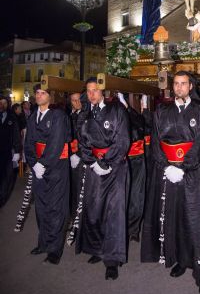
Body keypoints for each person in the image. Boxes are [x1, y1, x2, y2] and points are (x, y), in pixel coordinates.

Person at [141, 71, 200, 294]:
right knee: (173, 217)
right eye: (176, 84)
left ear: (191, 86)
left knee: (194, 221)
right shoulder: (162, 110)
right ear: (173, 87)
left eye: (184, 84)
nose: (180, 88)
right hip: (167, 172)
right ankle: (180, 260)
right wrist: (166, 166)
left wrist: (183, 167)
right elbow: (155, 142)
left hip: (191, 173)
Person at [75, 77, 130, 280]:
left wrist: (105, 162)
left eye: (95, 90)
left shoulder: (116, 110)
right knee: (94, 208)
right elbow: (81, 141)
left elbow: (122, 140)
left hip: (115, 167)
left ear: (103, 92)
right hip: (93, 167)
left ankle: (112, 260)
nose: (92, 94)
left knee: (114, 213)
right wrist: (92, 162)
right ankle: (97, 248)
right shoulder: (85, 114)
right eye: (88, 91)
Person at [24, 86, 70, 264]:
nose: (38, 95)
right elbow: (28, 143)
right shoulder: (32, 116)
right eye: (37, 93)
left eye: (42, 93)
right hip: (38, 167)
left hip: (56, 167)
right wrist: (33, 163)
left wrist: (43, 164)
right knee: (41, 207)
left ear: (50, 97)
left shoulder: (57, 115)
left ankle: (55, 250)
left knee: (56, 208)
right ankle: (43, 243)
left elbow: (56, 143)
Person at [117, 92, 146, 242]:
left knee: (136, 196)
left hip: (137, 158)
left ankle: (133, 229)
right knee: (121, 196)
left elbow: (141, 125)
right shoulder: (114, 110)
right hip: (120, 158)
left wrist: (128, 108)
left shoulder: (136, 115)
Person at [0, 97, 21, 207]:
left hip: (7, 152)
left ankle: (2, 198)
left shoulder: (12, 118)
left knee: (6, 177)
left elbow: (17, 134)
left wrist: (17, 151)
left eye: (4, 103)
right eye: (0, 103)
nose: (2, 105)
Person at [68, 92, 83, 222]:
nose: (77, 103)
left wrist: (78, 154)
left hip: (83, 157)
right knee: (72, 187)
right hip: (70, 157)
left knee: (80, 188)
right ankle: (73, 216)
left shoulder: (86, 116)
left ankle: (79, 218)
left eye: (78, 100)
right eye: (73, 100)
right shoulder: (69, 116)